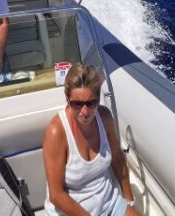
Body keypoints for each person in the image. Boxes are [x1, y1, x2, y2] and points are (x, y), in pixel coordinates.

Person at [43, 64, 140, 216]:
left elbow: (118, 160)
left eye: (91, 103)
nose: (85, 112)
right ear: (66, 97)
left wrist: (130, 201)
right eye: (77, 104)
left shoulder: (105, 117)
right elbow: (56, 195)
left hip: (110, 203)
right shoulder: (56, 132)